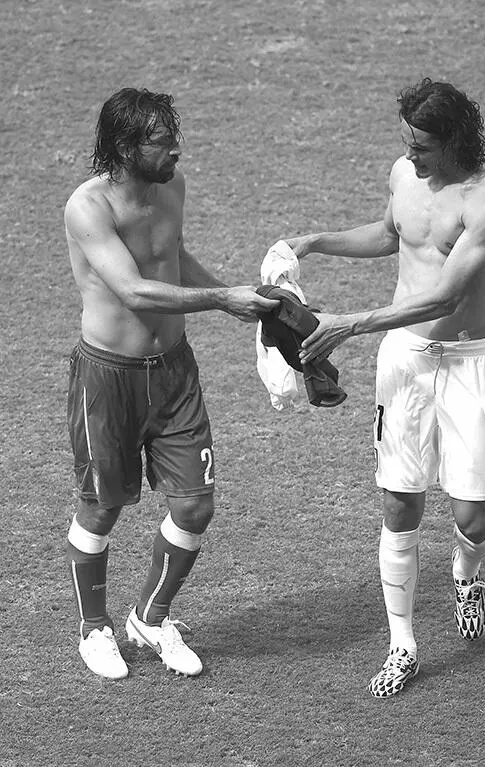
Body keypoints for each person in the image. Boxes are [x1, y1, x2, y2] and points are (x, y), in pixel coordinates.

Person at [285, 78, 485, 697]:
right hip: (406, 361)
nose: (411, 156)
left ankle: (466, 573)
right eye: (408, 143)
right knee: (399, 503)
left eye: (423, 147)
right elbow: (393, 234)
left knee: (473, 515)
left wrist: (350, 323)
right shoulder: (403, 174)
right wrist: (316, 242)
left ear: (456, 141)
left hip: (467, 361)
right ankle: (402, 643)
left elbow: (445, 295)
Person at [64, 87, 279, 680]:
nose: (176, 152)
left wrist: (243, 300)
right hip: (108, 378)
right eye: (162, 143)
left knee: (194, 504)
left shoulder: (172, 187)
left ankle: (150, 619)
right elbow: (133, 290)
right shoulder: (88, 208)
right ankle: (94, 627)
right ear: (125, 147)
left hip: (174, 373)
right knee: (101, 505)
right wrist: (221, 299)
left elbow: (171, 257)